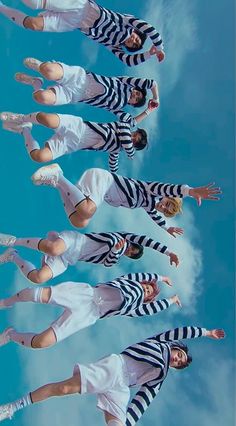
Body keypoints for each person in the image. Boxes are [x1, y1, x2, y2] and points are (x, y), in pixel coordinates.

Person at [0, 326, 225, 424]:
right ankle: (12, 407)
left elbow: (143, 401)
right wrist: (206, 333)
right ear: (176, 349)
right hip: (116, 367)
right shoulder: (161, 343)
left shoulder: (160, 376)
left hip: (123, 388)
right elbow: (180, 332)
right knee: (65, 388)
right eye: (179, 355)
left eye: (180, 362)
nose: (177, 359)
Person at [0, 271, 180, 351]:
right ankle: (8, 301)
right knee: (40, 295)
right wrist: (160, 278)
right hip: (86, 294)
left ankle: (10, 335)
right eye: (147, 288)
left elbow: (151, 309)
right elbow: (141, 276)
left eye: (148, 293)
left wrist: (171, 300)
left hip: (89, 315)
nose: (146, 291)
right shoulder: (130, 281)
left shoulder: (133, 308)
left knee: (43, 342)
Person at [30, 163, 221, 234]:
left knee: (80, 221)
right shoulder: (152, 190)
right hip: (103, 180)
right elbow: (166, 187)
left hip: (98, 191)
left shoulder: (149, 205)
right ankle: (58, 175)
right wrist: (189, 191)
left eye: (165, 209)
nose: (162, 206)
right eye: (167, 203)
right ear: (167, 197)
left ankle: (57, 184)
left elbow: (154, 216)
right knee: (88, 210)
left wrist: (166, 227)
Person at [0, 0, 165, 67]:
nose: (134, 41)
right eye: (137, 38)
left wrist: (149, 54)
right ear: (136, 32)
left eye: (135, 45)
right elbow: (146, 26)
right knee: (34, 3)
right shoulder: (126, 21)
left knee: (33, 24)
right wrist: (159, 46)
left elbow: (128, 61)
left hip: (75, 24)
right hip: (81, 7)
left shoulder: (114, 45)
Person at [12, 57, 159, 127]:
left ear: (132, 103)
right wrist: (155, 98)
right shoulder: (123, 81)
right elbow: (152, 83)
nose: (135, 95)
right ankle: (40, 67)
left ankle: (35, 82)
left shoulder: (117, 108)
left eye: (136, 99)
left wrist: (148, 111)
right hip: (80, 77)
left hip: (74, 95)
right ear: (135, 89)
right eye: (137, 93)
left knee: (41, 97)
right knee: (48, 71)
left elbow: (132, 122)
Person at [0, 107, 152, 171]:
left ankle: (24, 129)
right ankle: (22, 118)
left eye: (134, 141)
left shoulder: (116, 150)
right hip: (78, 127)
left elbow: (113, 168)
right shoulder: (123, 126)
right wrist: (147, 111)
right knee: (47, 119)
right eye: (134, 135)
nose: (131, 138)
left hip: (72, 144)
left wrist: (113, 178)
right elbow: (130, 124)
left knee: (39, 157)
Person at [0, 230, 179, 284]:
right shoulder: (117, 237)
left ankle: (13, 256)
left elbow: (109, 263)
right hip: (74, 242)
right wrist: (168, 252)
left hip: (68, 260)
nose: (128, 250)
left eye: (130, 254)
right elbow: (144, 238)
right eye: (132, 248)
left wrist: (116, 252)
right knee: (54, 248)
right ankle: (14, 241)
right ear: (131, 242)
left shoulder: (115, 255)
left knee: (39, 278)